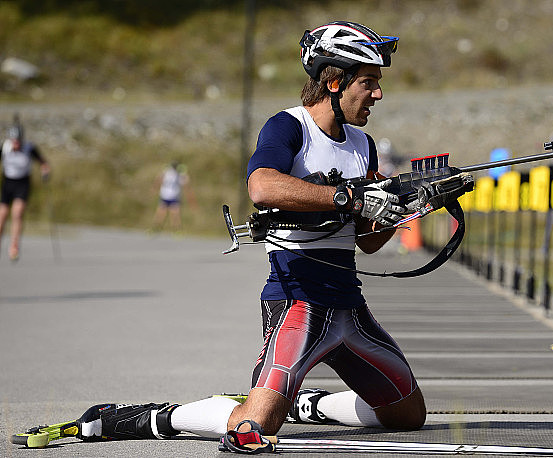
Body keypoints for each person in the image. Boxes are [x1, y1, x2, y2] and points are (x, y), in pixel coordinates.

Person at [68, 21, 425, 449]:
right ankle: (155, 417)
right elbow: (261, 187)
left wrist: (407, 205)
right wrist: (346, 198)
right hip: (298, 302)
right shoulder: (289, 127)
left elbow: (368, 240)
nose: (378, 94)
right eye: (368, 82)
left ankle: (308, 404)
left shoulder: (362, 145)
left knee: (407, 415)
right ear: (333, 81)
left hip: (350, 307)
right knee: (254, 427)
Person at [0, 122, 50, 261]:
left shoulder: (29, 148)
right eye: (13, 141)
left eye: (18, 141)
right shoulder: (4, 147)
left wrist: (45, 170)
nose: (16, 144)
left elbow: (43, 162)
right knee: (2, 215)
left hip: (23, 183)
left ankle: (14, 246)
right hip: (7, 183)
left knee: (17, 213)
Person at [150, 161, 192, 232]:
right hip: (166, 196)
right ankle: (156, 228)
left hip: (173, 196)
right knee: (162, 213)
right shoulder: (170, 173)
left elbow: (185, 183)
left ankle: (176, 230)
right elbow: (159, 179)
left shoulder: (175, 174)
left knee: (174, 214)